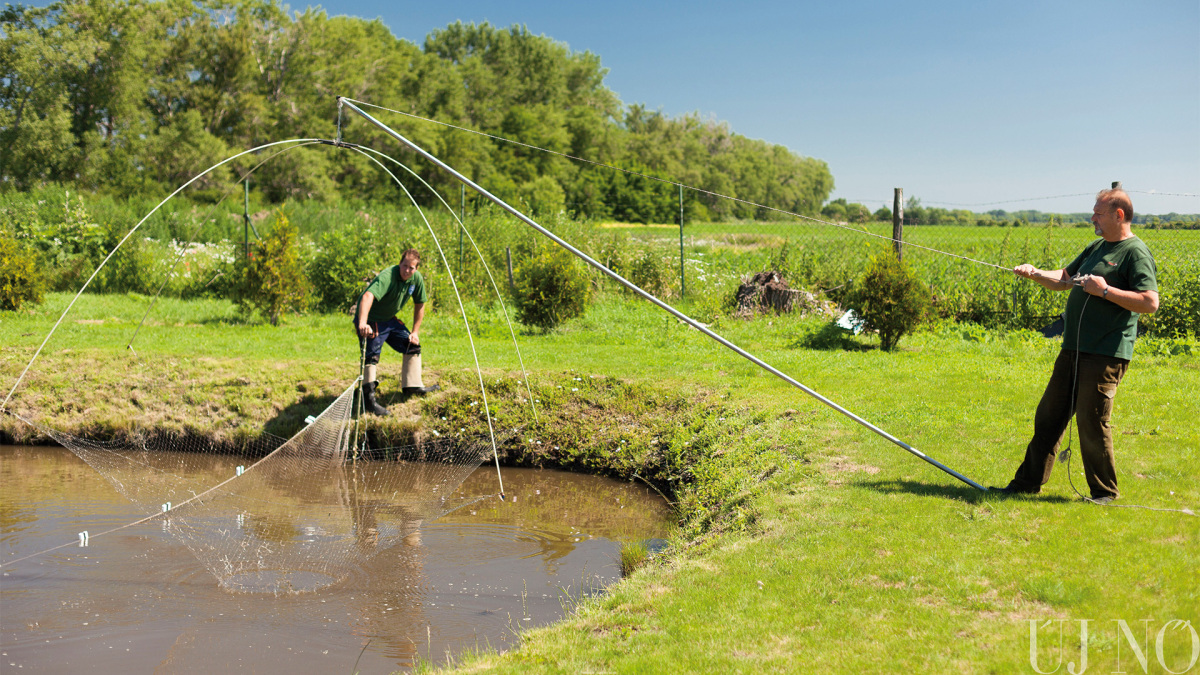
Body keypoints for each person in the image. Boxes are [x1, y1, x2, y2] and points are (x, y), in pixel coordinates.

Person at [992, 188, 1158, 504]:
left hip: (1106, 353)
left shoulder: (1134, 252)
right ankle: (1026, 483)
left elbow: (1150, 303)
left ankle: (1104, 493)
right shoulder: (1096, 247)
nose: (1092, 217)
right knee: (1049, 416)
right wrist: (1035, 273)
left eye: (1098, 212)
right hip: (1073, 349)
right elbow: (1065, 278)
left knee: (1091, 421)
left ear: (1118, 215)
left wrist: (1106, 290)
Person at [355, 249, 439, 416]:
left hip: (389, 319)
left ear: (417, 269)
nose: (407, 270)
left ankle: (412, 387)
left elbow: (420, 304)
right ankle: (368, 401)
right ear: (400, 263)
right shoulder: (388, 276)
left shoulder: (416, 279)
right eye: (405, 266)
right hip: (371, 318)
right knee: (371, 355)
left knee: (412, 345)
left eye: (412, 267)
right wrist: (362, 323)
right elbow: (367, 296)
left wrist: (415, 332)